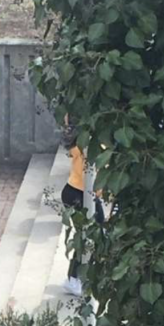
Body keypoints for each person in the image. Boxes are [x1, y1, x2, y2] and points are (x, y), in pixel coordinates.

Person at [61, 118, 104, 296]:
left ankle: (82, 276)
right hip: (77, 193)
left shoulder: (102, 144)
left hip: (87, 194)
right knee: (85, 236)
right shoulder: (89, 145)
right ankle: (73, 279)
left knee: (97, 232)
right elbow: (72, 148)